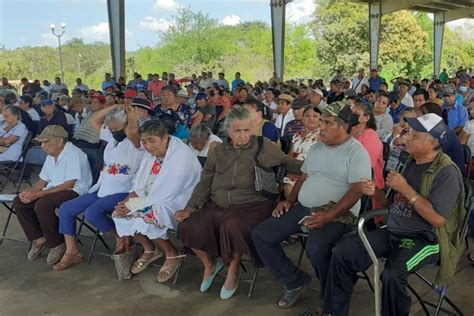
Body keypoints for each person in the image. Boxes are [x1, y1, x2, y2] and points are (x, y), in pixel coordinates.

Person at [325, 113, 464, 316]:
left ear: (433, 142)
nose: (407, 138)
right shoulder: (409, 162)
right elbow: (389, 203)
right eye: (409, 133)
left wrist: (406, 189)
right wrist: (375, 191)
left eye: (415, 136)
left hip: (426, 238)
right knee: (342, 252)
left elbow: (438, 219)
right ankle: (334, 312)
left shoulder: (447, 172)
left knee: (391, 274)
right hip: (393, 230)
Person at [252, 102, 370, 311]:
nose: (321, 126)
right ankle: (294, 279)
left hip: (338, 213)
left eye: (327, 122)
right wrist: (289, 200)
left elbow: (356, 191)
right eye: (321, 121)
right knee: (261, 235)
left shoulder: (356, 152)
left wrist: (328, 216)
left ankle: (331, 297)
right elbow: (304, 176)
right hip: (304, 208)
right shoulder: (317, 146)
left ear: (344, 127)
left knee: (317, 248)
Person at [176, 106, 301, 300]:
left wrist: (319, 167)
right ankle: (209, 264)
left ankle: (233, 271)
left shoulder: (262, 145)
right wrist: (191, 207)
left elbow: (290, 163)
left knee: (232, 225)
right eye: (237, 131)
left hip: (252, 205)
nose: (243, 136)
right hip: (218, 204)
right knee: (188, 224)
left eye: (246, 130)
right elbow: (205, 182)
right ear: (228, 131)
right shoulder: (218, 151)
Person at [53, 106, 144, 271]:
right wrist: (116, 105)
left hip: (124, 191)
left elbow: (132, 131)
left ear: (125, 126)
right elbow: (94, 119)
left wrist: (130, 116)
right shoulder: (111, 137)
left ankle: (120, 237)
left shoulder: (135, 143)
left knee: (92, 213)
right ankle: (71, 251)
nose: (112, 131)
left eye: (116, 128)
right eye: (111, 128)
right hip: (102, 188)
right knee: (66, 209)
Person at [113, 119, 201, 282]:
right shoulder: (150, 155)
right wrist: (126, 202)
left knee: (146, 214)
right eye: (144, 141)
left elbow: (169, 191)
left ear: (165, 137)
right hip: (152, 197)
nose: (147, 146)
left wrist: (136, 204)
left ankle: (172, 253)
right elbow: (138, 184)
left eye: (151, 141)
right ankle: (150, 249)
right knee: (119, 214)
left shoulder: (181, 155)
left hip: (180, 199)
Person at [13, 125, 92, 265]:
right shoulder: (52, 155)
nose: (42, 146)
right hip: (55, 189)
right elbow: (43, 180)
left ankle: (57, 242)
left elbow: (69, 185)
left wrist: (38, 194)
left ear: (60, 141)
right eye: (41, 142)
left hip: (75, 191)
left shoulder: (74, 154)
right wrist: (29, 192)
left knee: (42, 204)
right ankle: (39, 238)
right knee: (19, 201)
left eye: (46, 142)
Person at [351, 102, 384, 207]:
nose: (352, 116)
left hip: (365, 183)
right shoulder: (351, 131)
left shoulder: (371, 136)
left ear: (366, 118)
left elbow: (364, 166)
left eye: (356, 113)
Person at [283, 106, 321, 196]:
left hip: (311, 173)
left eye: (315, 116)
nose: (311, 118)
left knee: (289, 189)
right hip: (293, 171)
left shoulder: (322, 136)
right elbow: (290, 155)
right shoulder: (297, 135)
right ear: (303, 119)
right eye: (307, 116)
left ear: (320, 120)